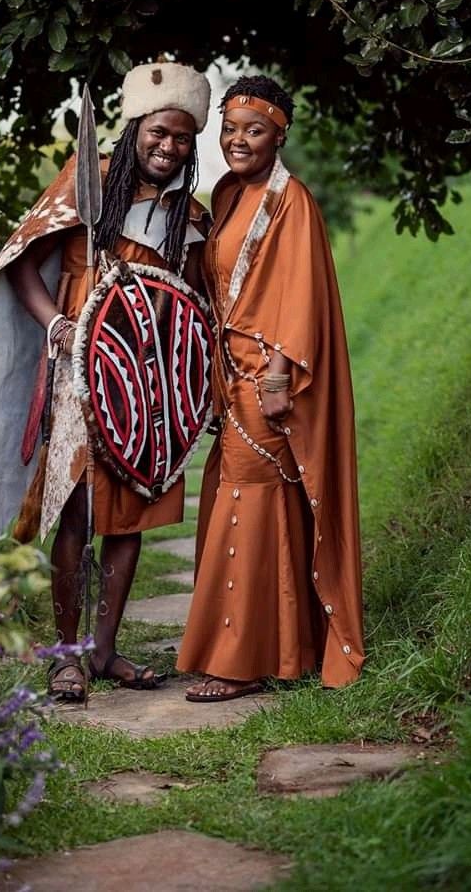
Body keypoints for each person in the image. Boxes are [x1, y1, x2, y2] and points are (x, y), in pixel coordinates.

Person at [0, 61, 211, 702]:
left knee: (129, 515)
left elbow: (193, 302)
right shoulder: (85, 184)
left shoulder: (190, 216)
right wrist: (58, 323)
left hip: (144, 379)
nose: (167, 146)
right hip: (75, 371)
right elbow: (22, 267)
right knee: (73, 511)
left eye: (181, 138)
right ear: (136, 128)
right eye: (158, 132)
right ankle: (65, 654)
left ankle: (104, 650)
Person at [176, 75, 364, 700]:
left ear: (279, 135)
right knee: (264, 505)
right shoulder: (230, 194)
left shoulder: (292, 201)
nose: (237, 141)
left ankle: (235, 663)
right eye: (229, 130)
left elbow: (297, 292)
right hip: (232, 373)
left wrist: (280, 376)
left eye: (253, 131)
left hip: (269, 379)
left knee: (247, 500)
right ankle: (287, 650)